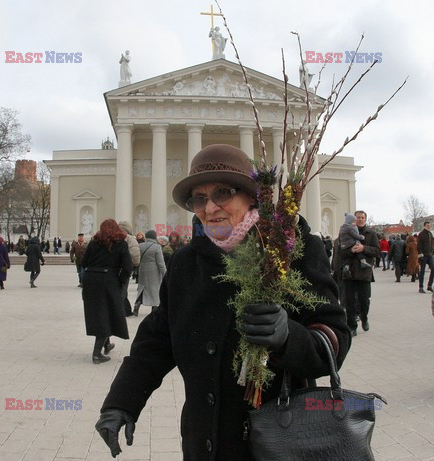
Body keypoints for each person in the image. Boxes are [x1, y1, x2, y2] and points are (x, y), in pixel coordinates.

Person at [95, 144, 350, 459]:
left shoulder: (293, 251)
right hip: (204, 444)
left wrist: (289, 338)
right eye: (199, 198)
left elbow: (335, 338)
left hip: (276, 444)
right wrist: (122, 402)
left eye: (222, 193)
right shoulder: (186, 262)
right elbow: (158, 340)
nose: (210, 207)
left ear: (251, 196)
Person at [81, 219, 133, 364]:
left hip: (90, 280)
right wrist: (120, 281)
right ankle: (97, 354)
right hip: (108, 281)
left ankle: (107, 344)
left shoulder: (93, 242)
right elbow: (128, 266)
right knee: (108, 313)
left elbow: (84, 262)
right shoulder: (120, 243)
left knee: (100, 312)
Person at [340, 210, 380, 336]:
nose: (360, 219)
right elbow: (340, 252)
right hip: (349, 272)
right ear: (354, 219)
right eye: (358, 217)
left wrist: (364, 248)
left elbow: (377, 251)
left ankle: (364, 317)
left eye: (362, 217)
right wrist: (351, 250)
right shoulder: (346, 231)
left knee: (364, 300)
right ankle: (352, 326)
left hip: (364, 272)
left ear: (365, 219)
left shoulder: (371, 233)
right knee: (349, 301)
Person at [132, 230, 166, 317]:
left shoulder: (140, 245)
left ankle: (137, 304)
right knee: (154, 290)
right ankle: (154, 308)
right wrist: (165, 274)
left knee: (142, 288)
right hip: (153, 271)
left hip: (142, 270)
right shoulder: (157, 247)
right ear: (155, 237)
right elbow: (160, 263)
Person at [118, 221, 140, 317]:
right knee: (122, 290)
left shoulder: (114, 237)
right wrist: (134, 264)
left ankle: (125, 310)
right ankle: (121, 311)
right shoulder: (130, 239)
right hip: (125, 268)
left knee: (120, 290)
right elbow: (135, 255)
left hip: (114, 268)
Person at [417, 221, 434, 293]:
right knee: (422, 272)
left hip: (430, 255)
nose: (429, 227)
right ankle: (421, 287)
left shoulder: (430, 234)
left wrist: (432, 252)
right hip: (423, 255)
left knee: (433, 268)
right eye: (427, 225)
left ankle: (429, 285)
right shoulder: (421, 234)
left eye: (429, 226)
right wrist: (420, 255)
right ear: (424, 226)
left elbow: (432, 244)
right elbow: (419, 246)